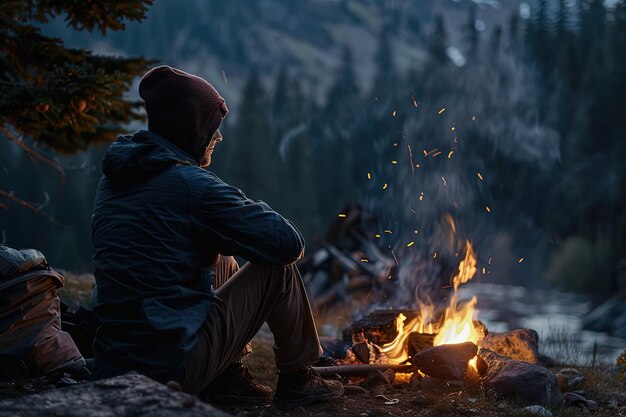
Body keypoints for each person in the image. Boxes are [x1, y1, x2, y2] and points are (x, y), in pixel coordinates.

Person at [90, 65, 344, 407]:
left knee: (222, 257)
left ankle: (227, 380)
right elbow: (288, 243)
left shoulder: (117, 178)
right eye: (213, 129)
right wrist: (234, 201)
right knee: (276, 267)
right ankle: (299, 380)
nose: (219, 138)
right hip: (168, 368)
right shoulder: (192, 187)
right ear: (191, 128)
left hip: (115, 362)